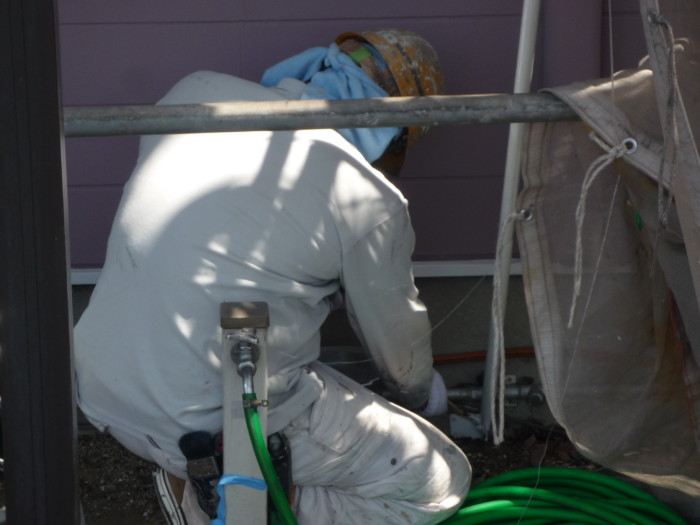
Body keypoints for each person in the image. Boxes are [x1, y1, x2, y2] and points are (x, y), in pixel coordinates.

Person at [74, 29, 471, 524]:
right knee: (438, 482)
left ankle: (189, 474)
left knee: (278, 374)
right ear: (396, 131)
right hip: (208, 417)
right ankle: (218, 499)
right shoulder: (366, 198)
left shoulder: (192, 93)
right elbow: (399, 352)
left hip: (100, 385)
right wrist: (422, 399)